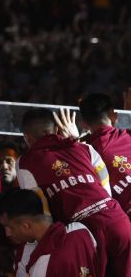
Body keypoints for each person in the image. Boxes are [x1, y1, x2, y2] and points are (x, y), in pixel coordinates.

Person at [17, 108, 131, 277]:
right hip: (118, 221)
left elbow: (38, 207)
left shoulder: (25, 163)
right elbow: (105, 188)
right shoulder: (84, 148)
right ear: (56, 130)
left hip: (85, 233)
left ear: (27, 137)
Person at [0, 189, 97, 276]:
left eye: (10, 227)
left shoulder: (41, 267)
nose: (7, 233)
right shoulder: (81, 230)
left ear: (26, 227)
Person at [76, 94, 131, 217]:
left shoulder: (86, 154)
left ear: (83, 124)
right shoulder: (128, 135)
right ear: (114, 115)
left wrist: (74, 141)